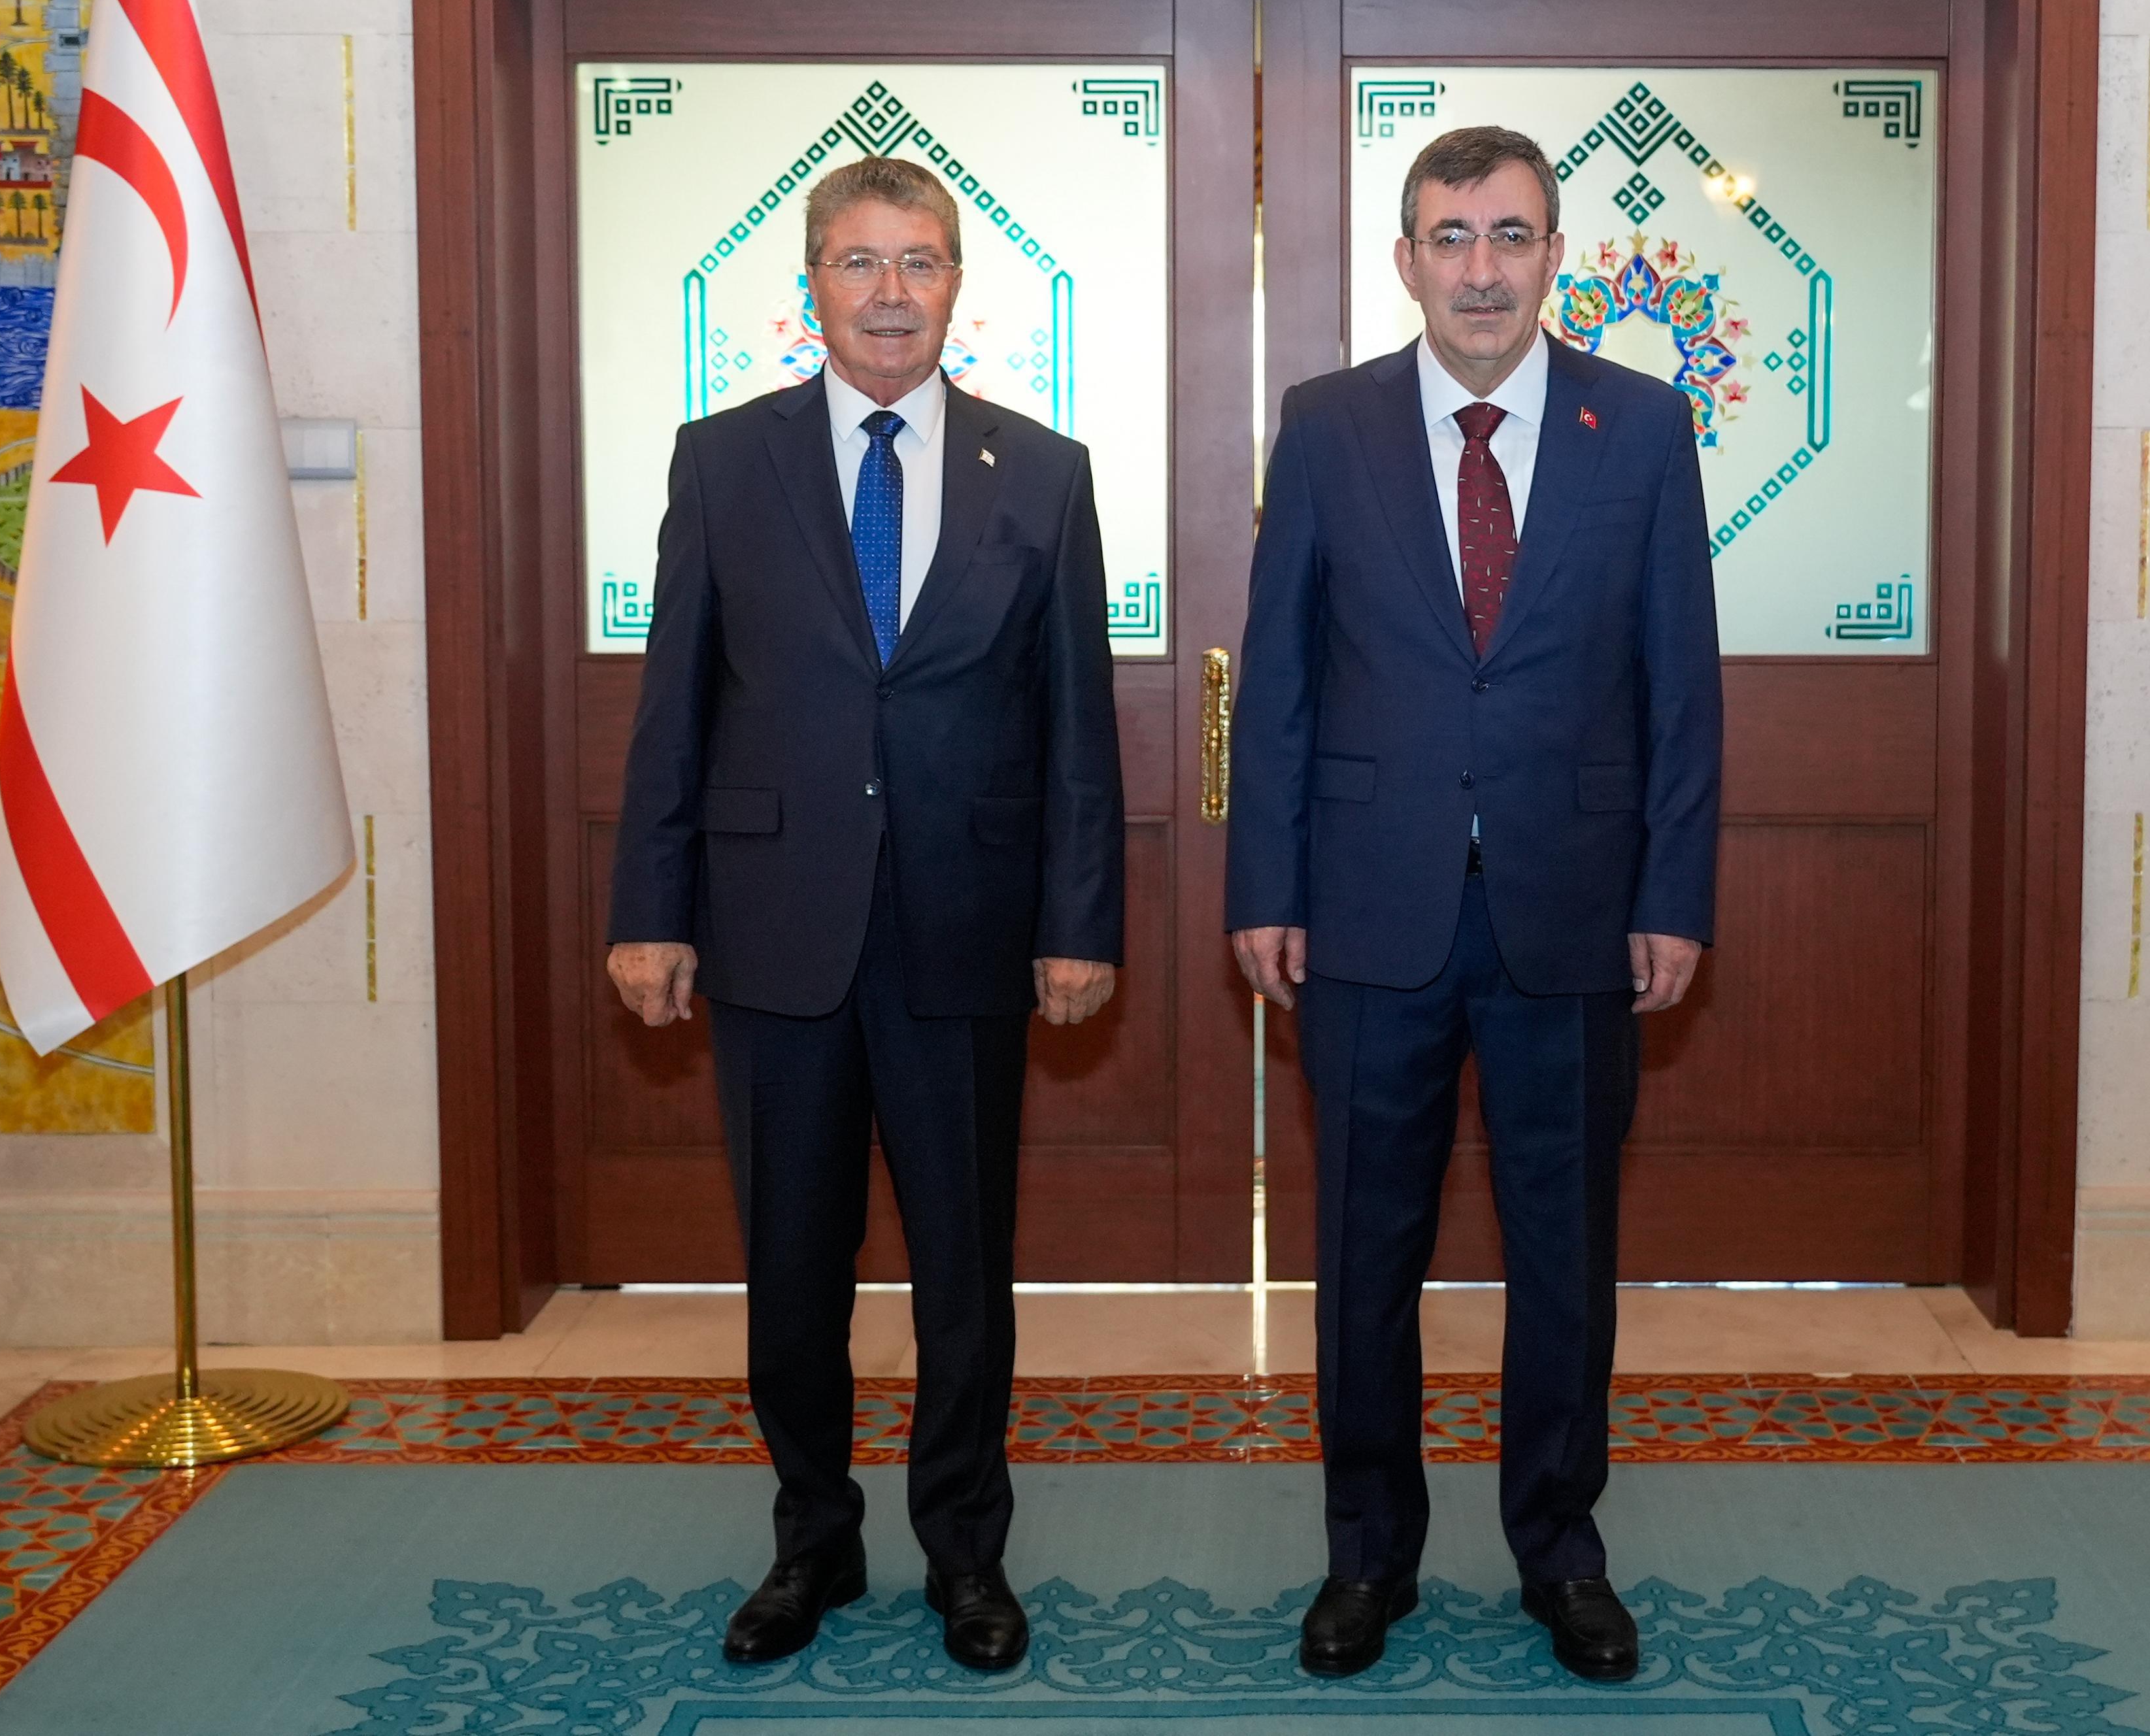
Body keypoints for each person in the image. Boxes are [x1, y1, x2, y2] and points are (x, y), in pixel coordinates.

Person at [605, 155, 1124, 1675]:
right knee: (790, 1267)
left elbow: (1077, 724)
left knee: (964, 1272)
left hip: (967, 927)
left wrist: (1079, 919)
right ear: (813, 284)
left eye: (919, 263)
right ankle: (811, 1542)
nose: (890, 293)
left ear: (957, 283)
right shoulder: (724, 461)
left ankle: (968, 1553)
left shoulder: (1043, 471)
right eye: (859, 262)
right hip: (774, 928)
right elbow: (674, 705)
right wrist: (650, 908)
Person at [1227, 124, 1722, 1682]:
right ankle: (1366, 1558)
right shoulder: (1327, 426)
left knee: (1562, 1256)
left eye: (1511, 235)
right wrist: (1264, 882)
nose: (1482, 268)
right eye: (1451, 237)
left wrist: (1673, 890)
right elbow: (1280, 676)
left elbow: (1681, 685)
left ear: (1555, 255)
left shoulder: (1642, 426)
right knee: (1363, 1254)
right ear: (1406, 260)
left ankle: (1561, 1555)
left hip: (1573, 912)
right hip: (1365, 912)